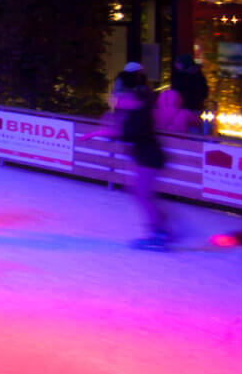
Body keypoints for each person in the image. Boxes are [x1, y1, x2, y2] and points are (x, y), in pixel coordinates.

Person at [84, 84, 174, 251]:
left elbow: (122, 133)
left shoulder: (140, 116)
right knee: (139, 193)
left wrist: (95, 133)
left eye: (123, 99)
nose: (119, 101)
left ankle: (159, 233)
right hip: (145, 157)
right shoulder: (134, 113)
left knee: (142, 194)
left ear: (133, 101)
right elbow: (119, 131)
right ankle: (161, 226)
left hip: (150, 158)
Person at [170, 57, 209, 134]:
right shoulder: (195, 76)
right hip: (189, 107)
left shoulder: (191, 77)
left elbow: (203, 92)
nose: (176, 67)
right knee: (191, 132)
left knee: (190, 132)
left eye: (178, 65)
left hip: (190, 108)